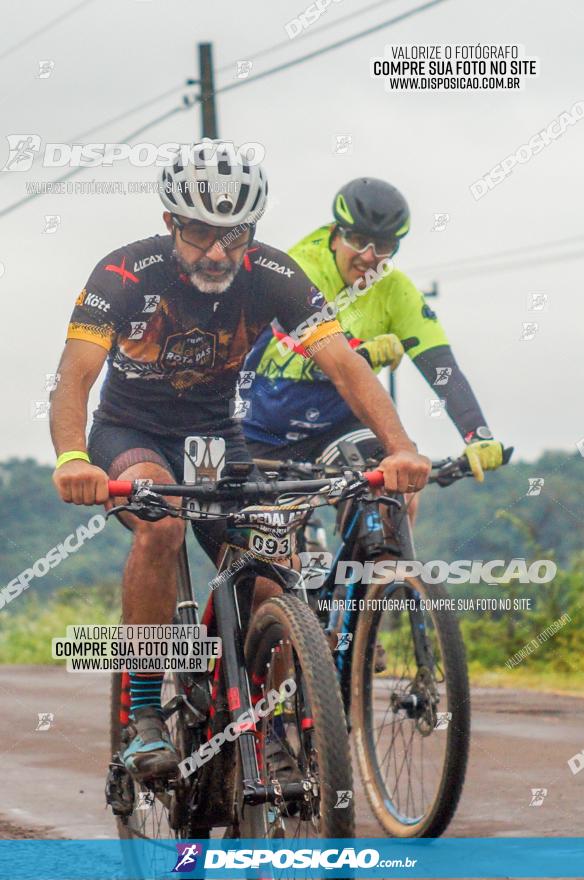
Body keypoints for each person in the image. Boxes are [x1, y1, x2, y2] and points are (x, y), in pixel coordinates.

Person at [49, 143, 431, 781]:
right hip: (132, 433)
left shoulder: (272, 275)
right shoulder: (123, 274)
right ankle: (145, 715)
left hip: (220, 438)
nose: (218, 251)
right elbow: (74, 375)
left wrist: (401, 445)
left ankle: (273, 727)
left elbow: (342, 362)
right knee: (162, 524)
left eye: (234, 233)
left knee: (269, 571)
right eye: (199, 231)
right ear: (171, 221)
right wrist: (71, 457)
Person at [243, 176, 504, 486]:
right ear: (336, 234)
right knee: (254, 528)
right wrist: (364, 353)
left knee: (398, 482)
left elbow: (442, 367)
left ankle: (385, 534)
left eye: (382, 246)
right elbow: (294, 347)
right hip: (262, 422)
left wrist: (477, 433)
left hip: (337, 424)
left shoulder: (396, 291)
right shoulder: (299, 267)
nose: (368, 256)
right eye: (357, 239)